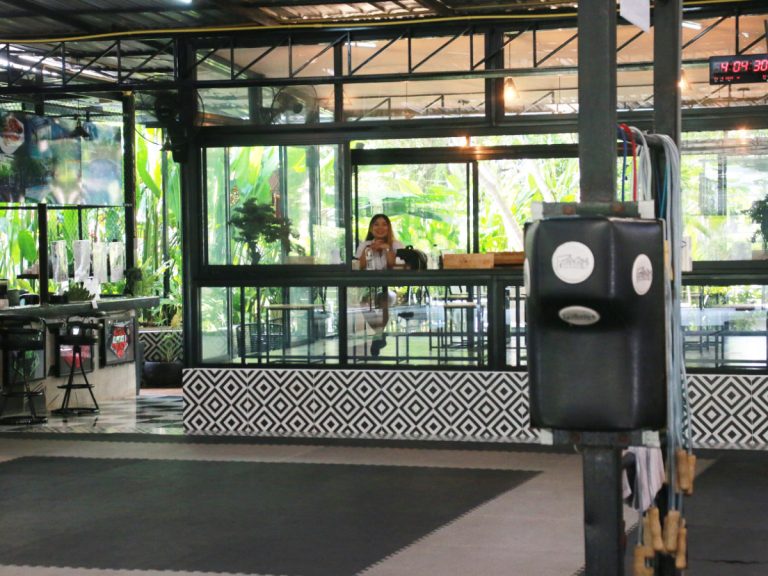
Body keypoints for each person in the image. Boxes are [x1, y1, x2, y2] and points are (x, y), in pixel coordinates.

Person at [355, 214, 404, 356]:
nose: (380, 227)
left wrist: (387, 249)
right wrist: (369, 250)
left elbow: (393, 265)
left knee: (385, 299)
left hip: (390, 287)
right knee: (364, 303)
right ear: (371, 228)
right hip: (369, 286)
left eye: (384, 224)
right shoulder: (364, 245)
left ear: (389, 228)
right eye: (376, 224)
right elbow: (360, 265)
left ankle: (378, 336)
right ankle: (379, 334)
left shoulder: (396, 245)